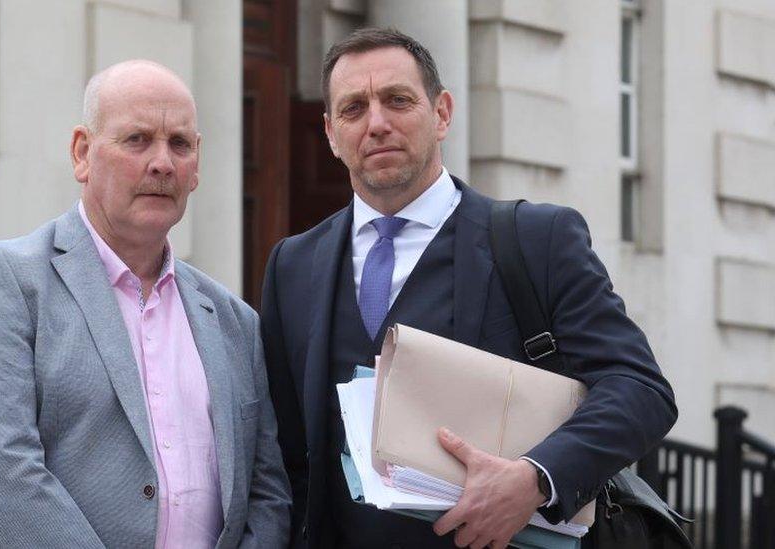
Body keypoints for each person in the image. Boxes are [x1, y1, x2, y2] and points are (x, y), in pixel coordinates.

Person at [260, 28, 677, 549]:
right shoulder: (293, 265)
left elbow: (641, 389)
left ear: (442, 113)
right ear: (329, 132)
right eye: (353, 109)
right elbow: (281, 449)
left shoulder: (536, 240)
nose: (378, 124)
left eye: (397, 100)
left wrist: (534, 477)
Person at [0, 60, 290, 549]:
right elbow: (0, 469)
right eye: (138, 139)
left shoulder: (235, 322)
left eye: (179, 144)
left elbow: (266, 491)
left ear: (196, 167)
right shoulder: (4, 280)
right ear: (83, 153)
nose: (162, 162)